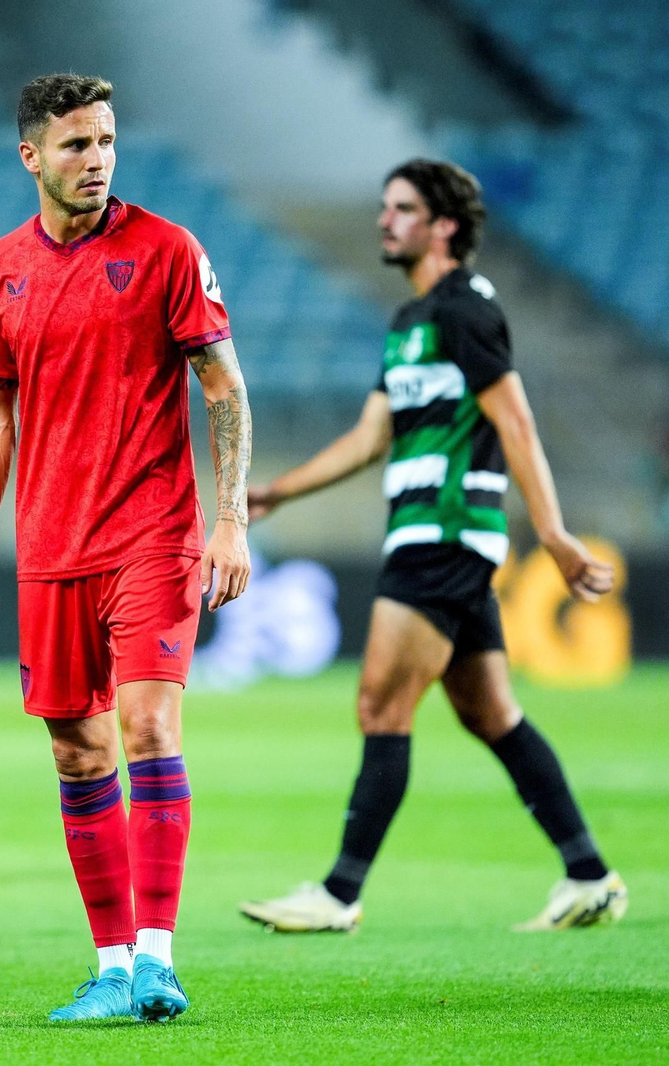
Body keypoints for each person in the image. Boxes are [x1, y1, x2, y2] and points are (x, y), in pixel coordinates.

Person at [239, 159, 626, 933]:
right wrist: (280, 491)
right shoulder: (410, 323)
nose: (385, 221)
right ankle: (589, 875)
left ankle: (339, 894)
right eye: (384, 207)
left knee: (380, 704)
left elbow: (515, 421)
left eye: (403, 208)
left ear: (444, 225)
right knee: (491, 714)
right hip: (429, 535)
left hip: (445, 536)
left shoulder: (466, 310)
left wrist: (551, 533)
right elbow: (370, 438)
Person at [0, 74, 252, 1022]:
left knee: (150, 730)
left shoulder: (168, 250)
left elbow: (223, 387)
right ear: (31, 157)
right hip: (48, 545)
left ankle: (159, 962)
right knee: (79, 755)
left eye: (108, 142)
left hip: (152, 537)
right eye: (77, 145)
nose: (97, 161)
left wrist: (230, 517)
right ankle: (112, 967)